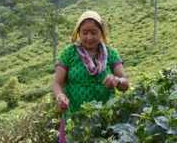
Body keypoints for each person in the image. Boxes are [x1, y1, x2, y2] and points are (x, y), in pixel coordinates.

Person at [53, 10, 129, 142]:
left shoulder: (111, 54)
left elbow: (125, 83)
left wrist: (116, 80)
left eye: (94, 32)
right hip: (74, 118)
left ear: (102, 33)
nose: (89, 37)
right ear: (78, 33)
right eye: (85, 32)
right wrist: (60, 96)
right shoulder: (69, 53)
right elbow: (57, 83)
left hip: (103, 119)